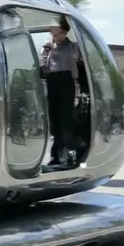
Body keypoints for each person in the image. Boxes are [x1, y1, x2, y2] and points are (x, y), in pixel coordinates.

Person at [40, 15, 81, 167]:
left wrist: (76, 88)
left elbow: (75, 63)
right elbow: (43, 67)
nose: (54, 37)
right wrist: (46, 51)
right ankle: (57, 155)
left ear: (64, 33)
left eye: (57, 34)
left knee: (66, 121)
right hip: (52, 81)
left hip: (66, 81)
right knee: (54, 122)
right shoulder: (48, 47)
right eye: (52, 34)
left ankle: (71, 153)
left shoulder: (72, 47)